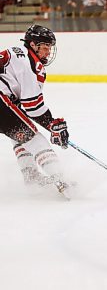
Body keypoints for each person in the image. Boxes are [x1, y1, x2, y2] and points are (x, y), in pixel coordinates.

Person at [0, 25, 69, 194]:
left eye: (49, 48)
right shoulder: (29, 65)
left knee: (19, 132)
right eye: (45, 47)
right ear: (33, 45)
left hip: (5, 100)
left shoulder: (15, 52)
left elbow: (26, 106)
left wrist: (50, 124)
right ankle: (60, 179)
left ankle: (30, 174)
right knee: (33, 137)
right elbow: (33, 106)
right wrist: (52, 125)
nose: (47, 52)